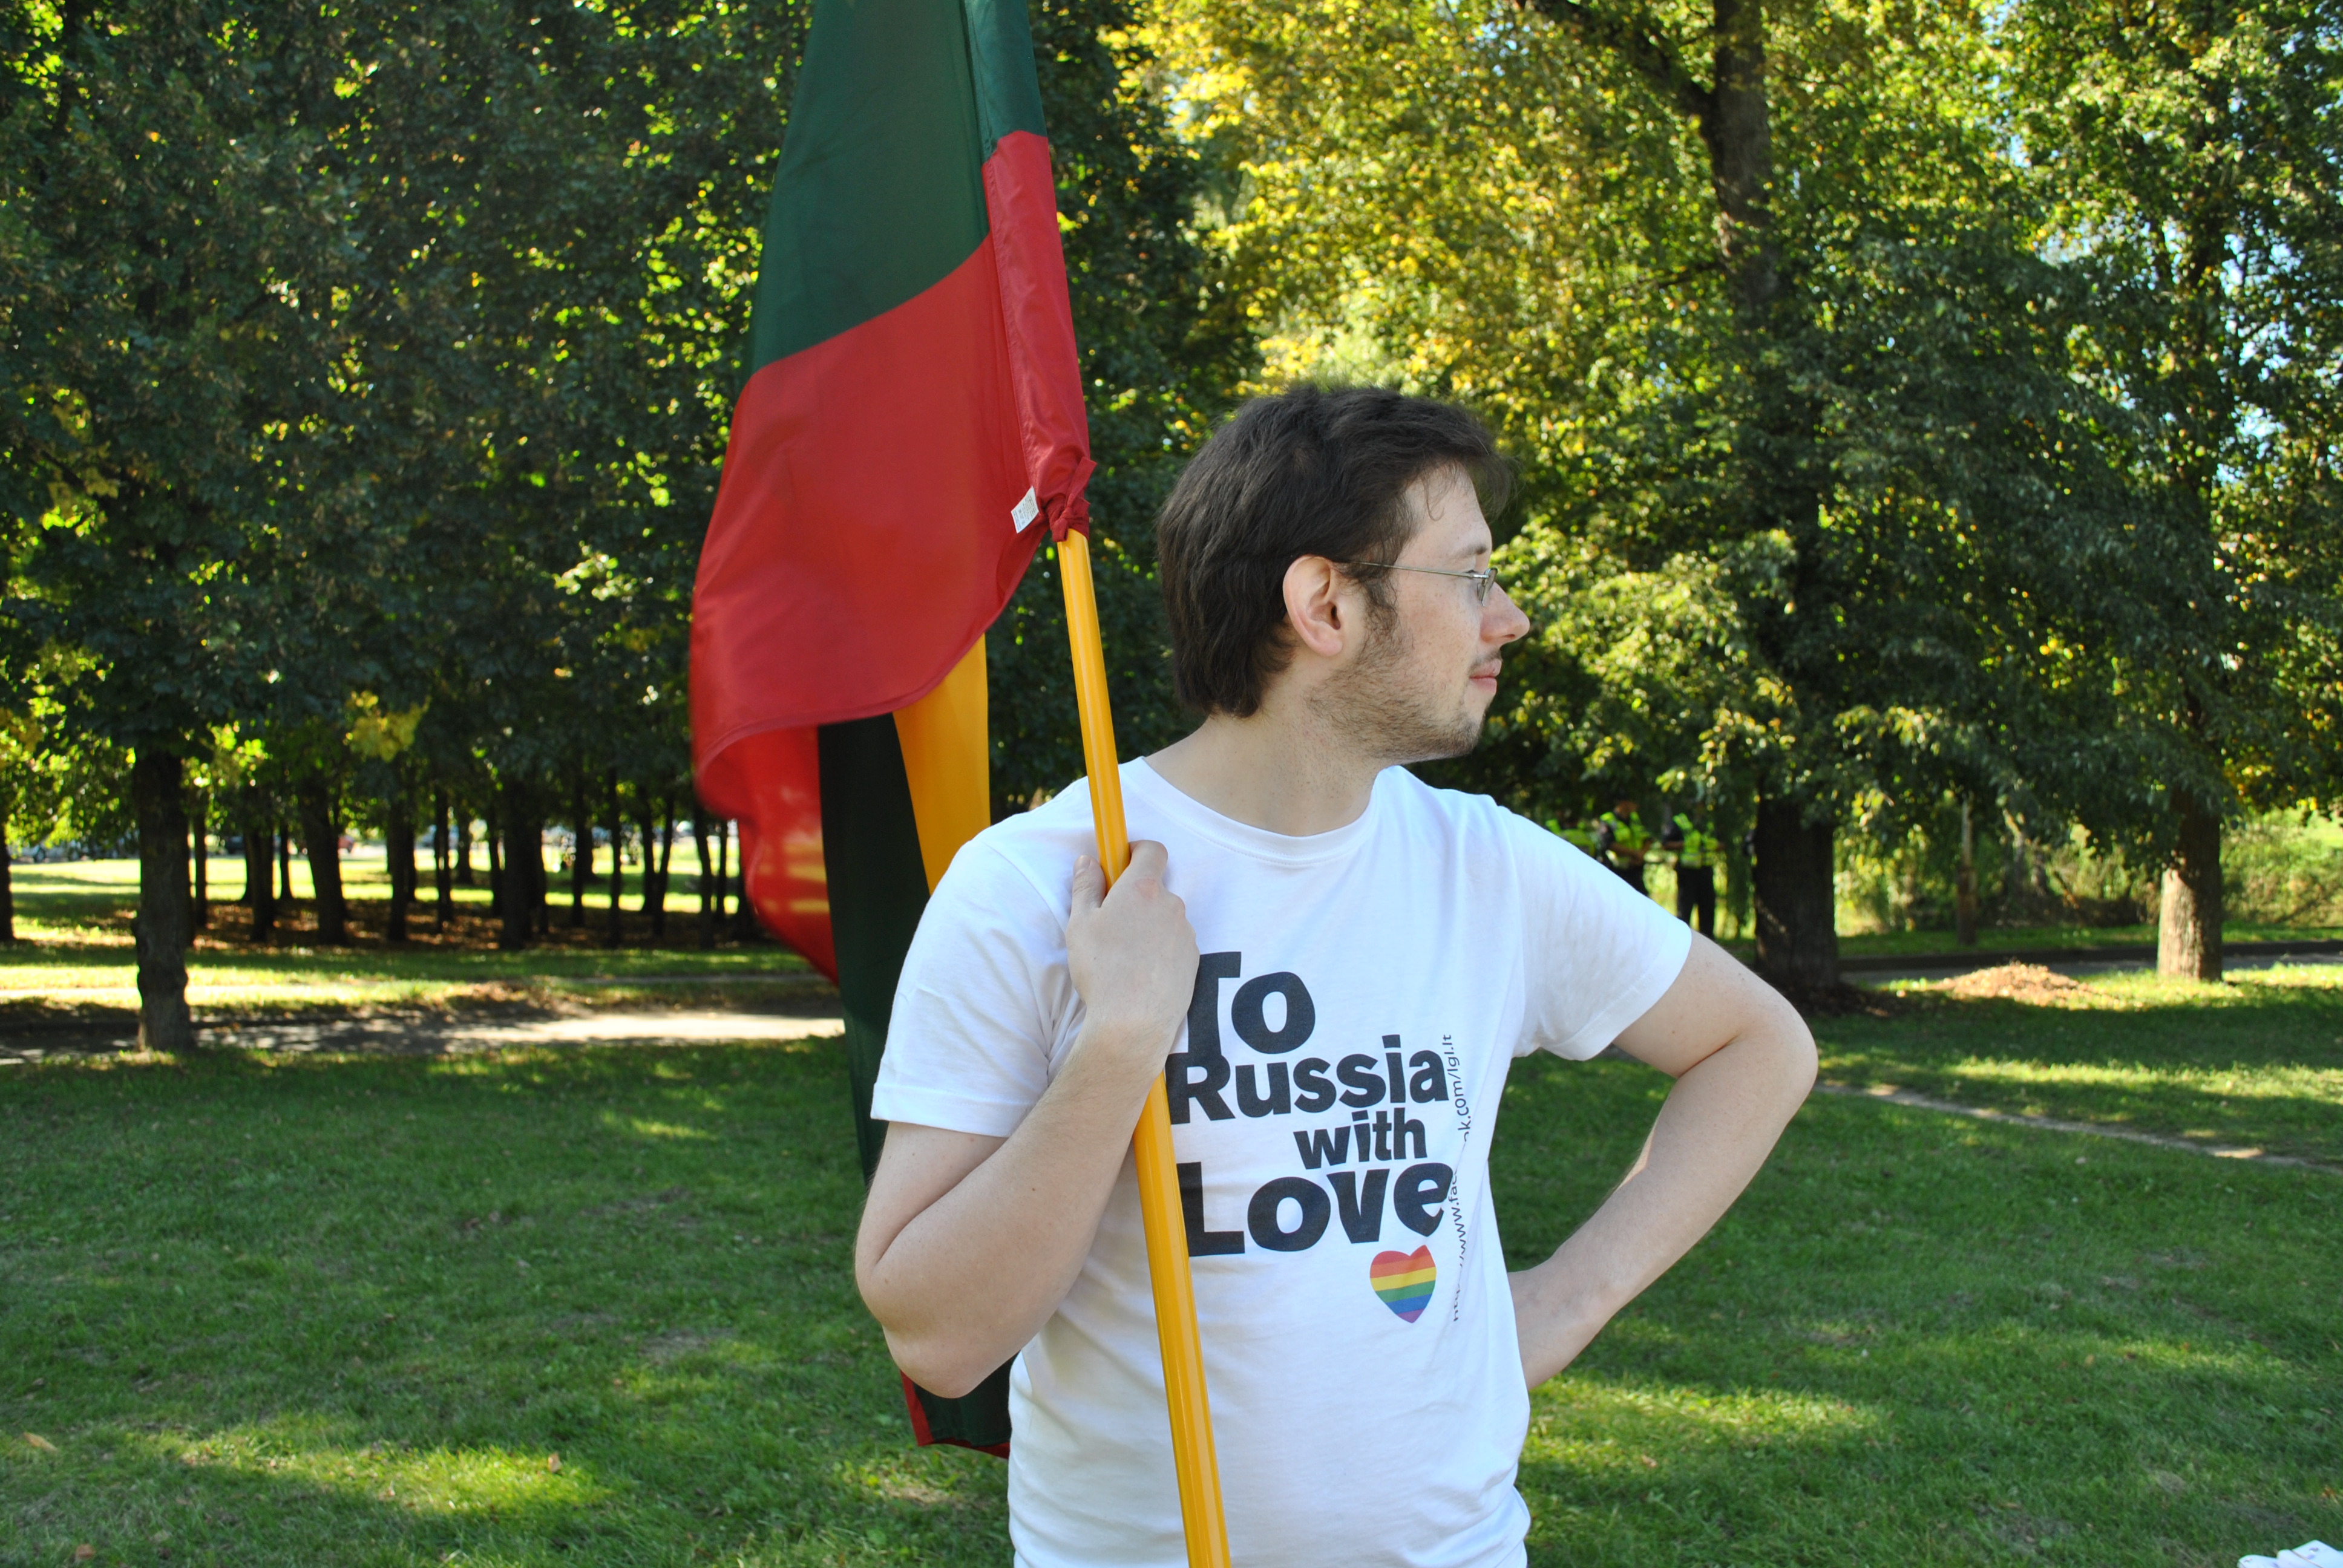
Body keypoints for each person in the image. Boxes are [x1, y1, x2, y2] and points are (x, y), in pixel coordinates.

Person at [854, 387, 1816, 1568]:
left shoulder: (1485, 867)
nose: (1506, 617)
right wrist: (1119, 1046)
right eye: (1470, 576)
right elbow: (938, 1340)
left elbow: (1759, 1047)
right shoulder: (1041, 884)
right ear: (1325, 605)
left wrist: (1566, 1301)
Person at [1663, 810, 1720, 937]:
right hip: (1687, 874)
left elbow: (1722, 843)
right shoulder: (1680, 822)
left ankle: (1708, 942)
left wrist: (1711, 845)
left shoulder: (1709, 822)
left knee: (1707, 911)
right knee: (1684, 911)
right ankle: (1682, 940)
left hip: (1706, 872)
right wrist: (1685, 844)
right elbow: (1666, 844)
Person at [1595, 797, 1650, 893]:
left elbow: (1647, 839)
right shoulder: (1608, 820)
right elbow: (1608, 844)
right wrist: (1634, 854)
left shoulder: (1635, 818)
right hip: (1616, 871)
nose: (1636, 805)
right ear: (1624, 803)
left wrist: (1641, 855)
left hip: (1635, 870)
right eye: (1633, 801)